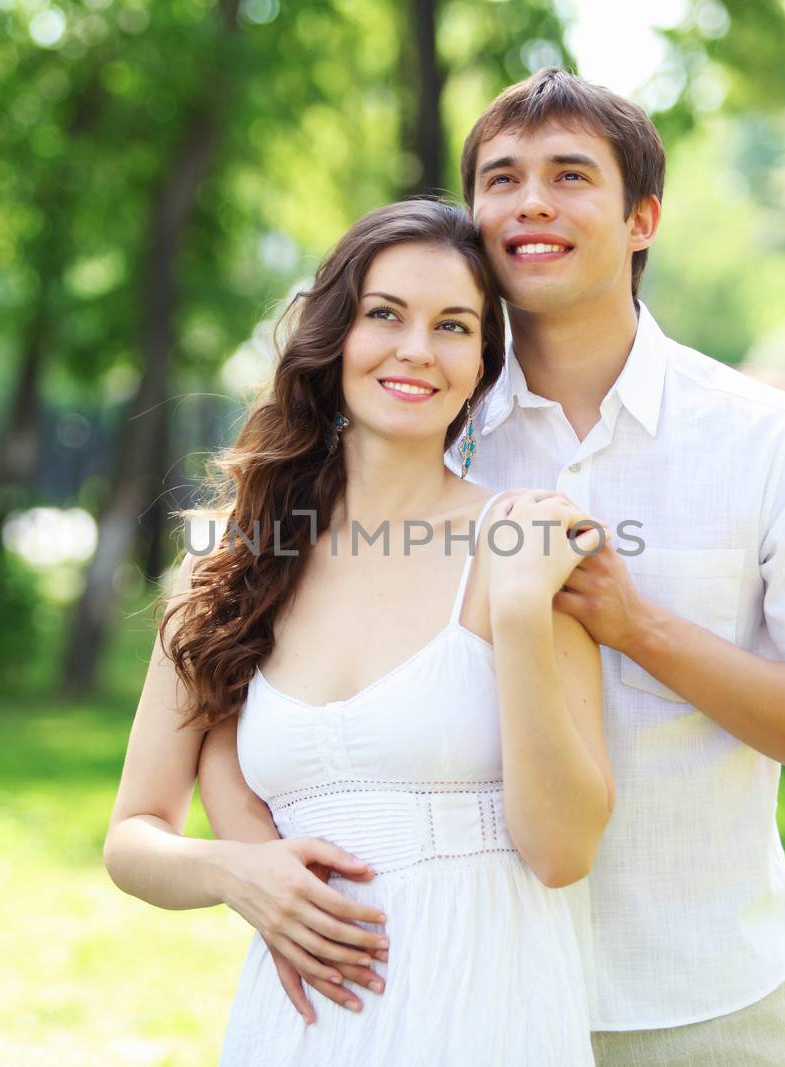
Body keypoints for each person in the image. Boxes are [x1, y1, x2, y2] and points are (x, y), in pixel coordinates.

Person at [230, 69, 785, 1067]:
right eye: (500, 178)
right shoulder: (420, 432)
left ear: (642, 219)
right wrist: (251, 857)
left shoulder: (772, 443)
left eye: (569, 175)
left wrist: (640, 627)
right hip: (453, 993)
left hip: (693, 996)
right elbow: (236, 663)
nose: (530, 202)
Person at [103, 198, 614, 1065]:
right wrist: (238, 873)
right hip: (305, 1024)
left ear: (483, 364)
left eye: (453, 326)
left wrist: (522, 610)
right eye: (385, 314)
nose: (416, 348)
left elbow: (563, 851)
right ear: (334, 335)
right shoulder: (229, 570)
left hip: (486, 1007)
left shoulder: (524, 543)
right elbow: (134, 833)